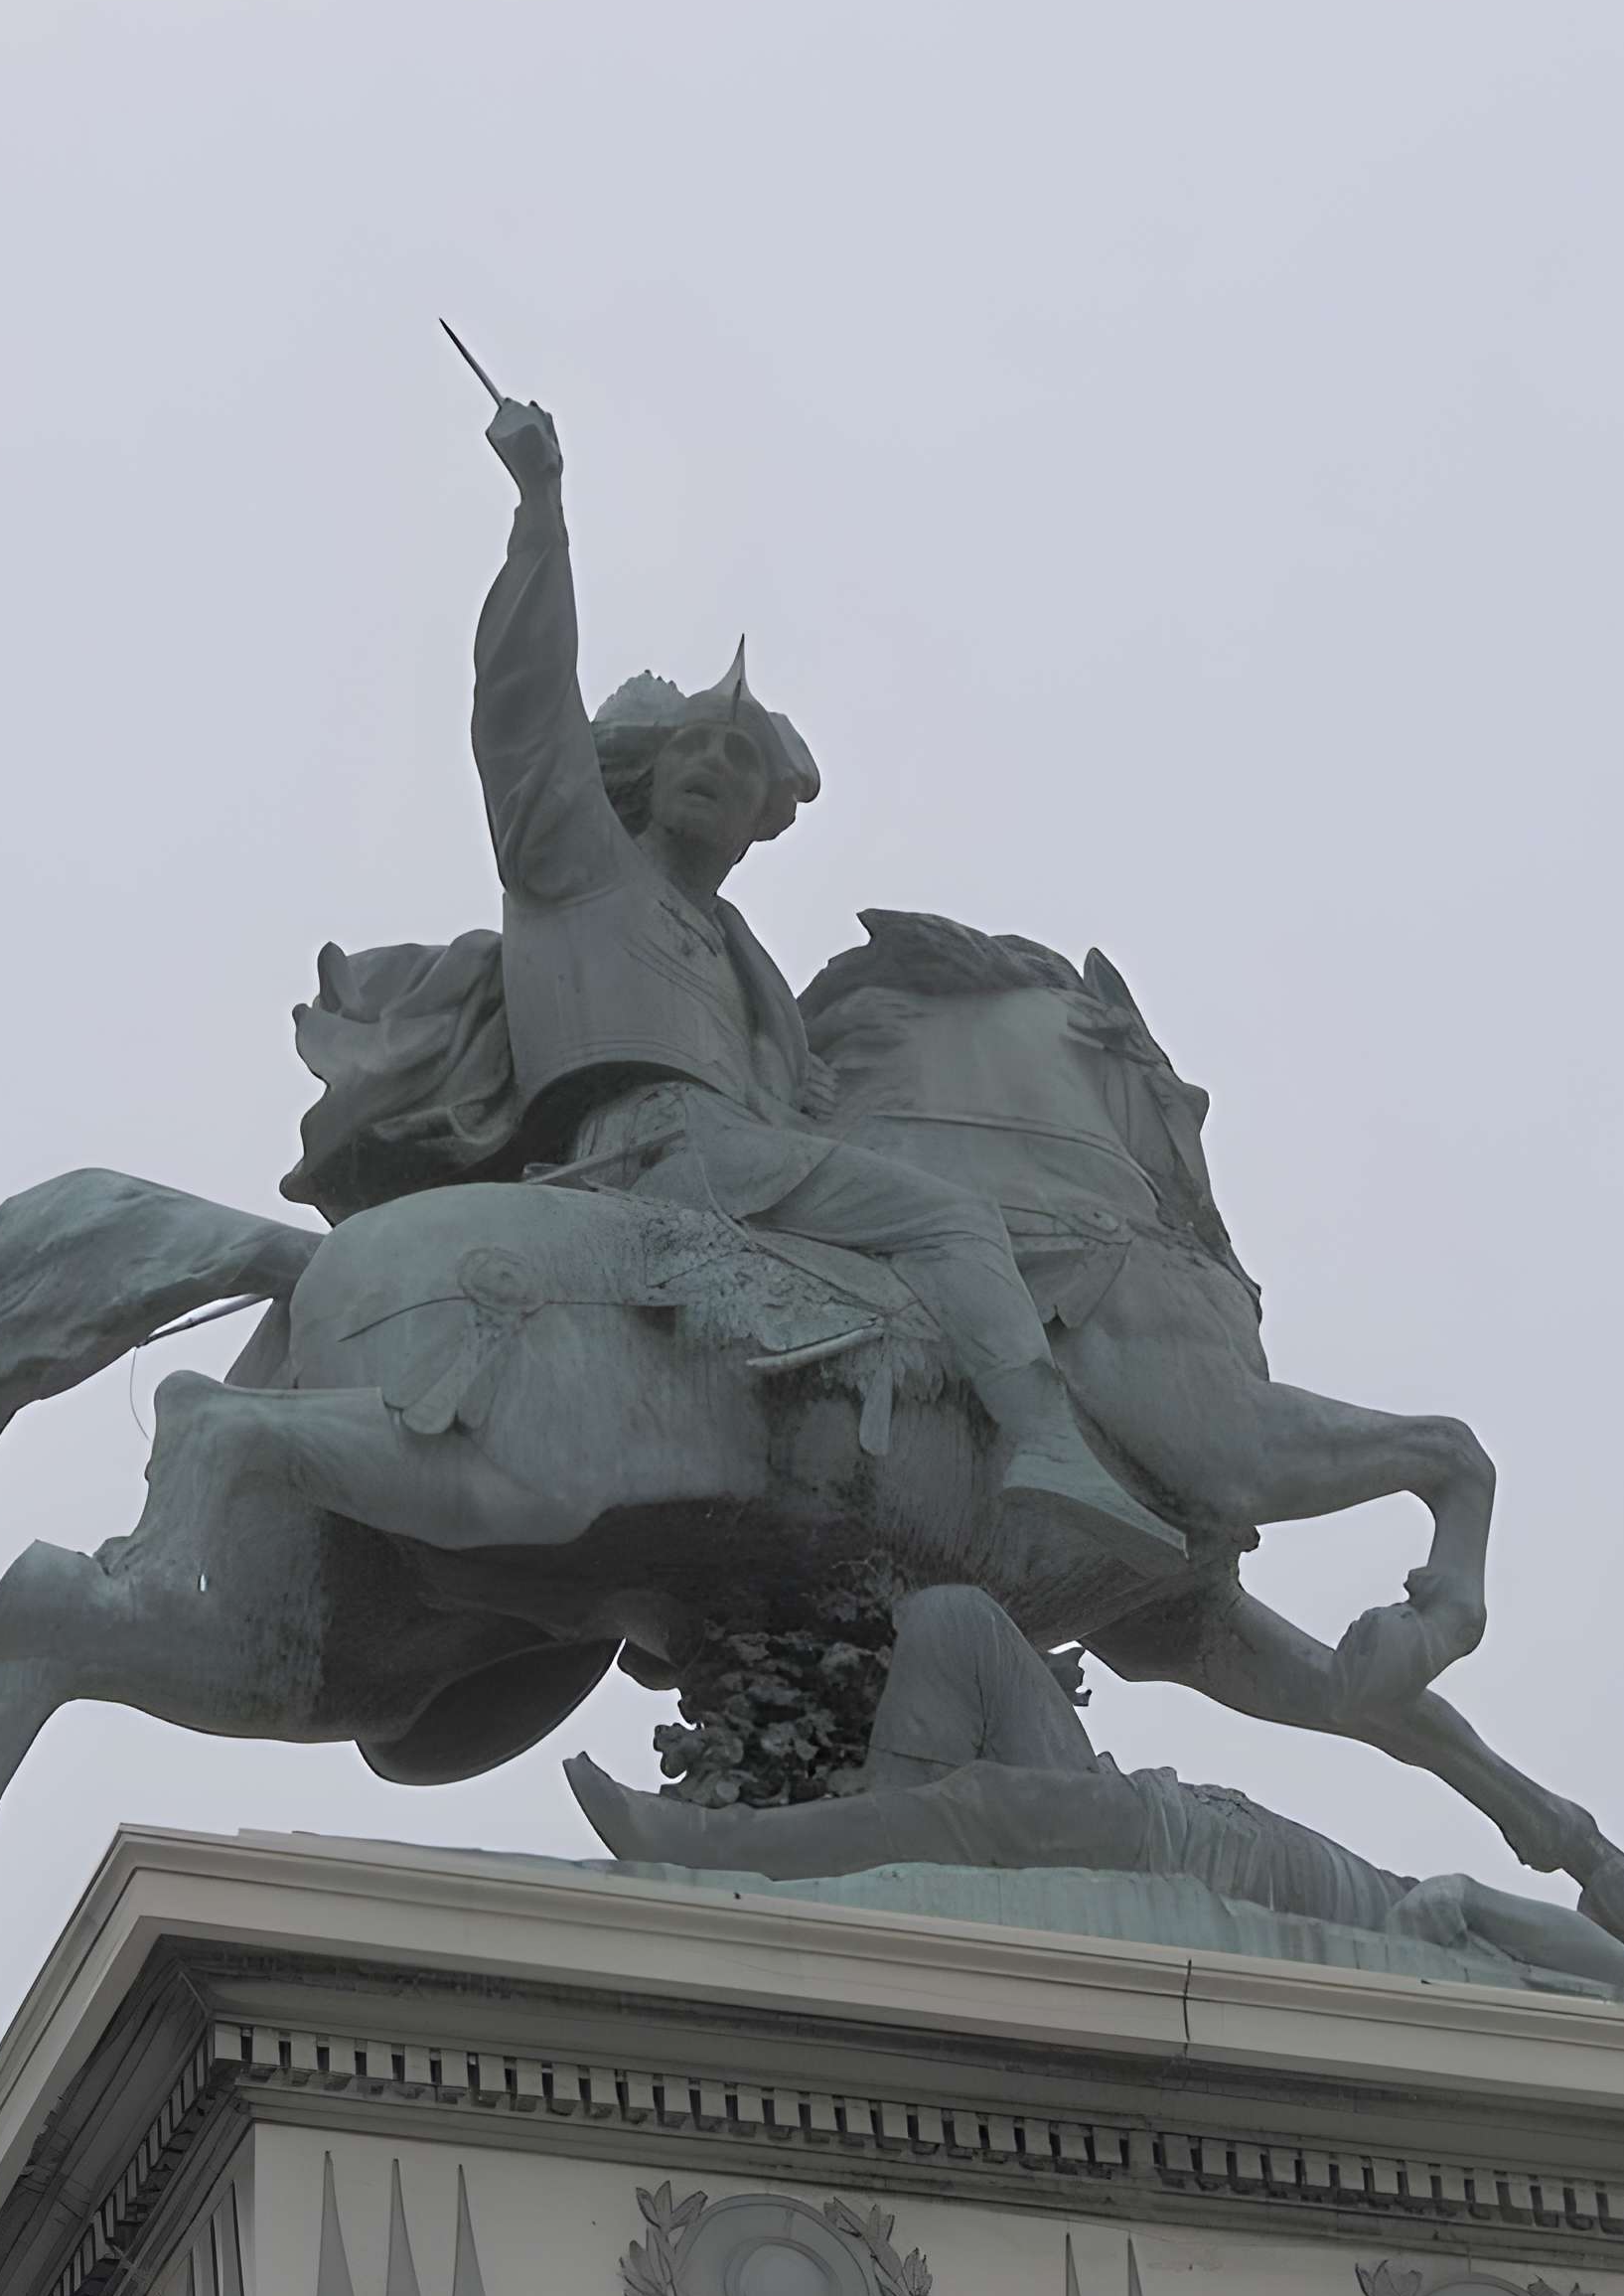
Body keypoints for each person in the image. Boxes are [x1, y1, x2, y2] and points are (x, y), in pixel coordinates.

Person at [468, 394, 1181, 1577]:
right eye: (695, 743)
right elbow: (523, 705)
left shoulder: (744, 961)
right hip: (656, 1153)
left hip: (735, 1162)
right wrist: (540, 510)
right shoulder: (577, 858)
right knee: (950, 1220)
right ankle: (1047, 1446)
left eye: (737, 759)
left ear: (763, 817)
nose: (710, 762)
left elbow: (804, 1110)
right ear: (650, 770)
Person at [565, 1586, 1624, 1989]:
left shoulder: (1416, 1947)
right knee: (954, 1618)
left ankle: (707, 1849)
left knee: (986, 1809)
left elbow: (1617, 1971)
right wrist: (1465, 1899)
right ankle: (883, 1852)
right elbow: (1604, 1963)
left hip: (1164, 1845)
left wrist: (1464, 1897)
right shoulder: (1418, 1913)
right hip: (1146, 1802)